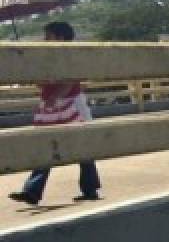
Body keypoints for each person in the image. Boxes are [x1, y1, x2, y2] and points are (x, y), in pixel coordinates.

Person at [9, 22, 102, 205]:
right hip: (52, 104)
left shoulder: (71, 56)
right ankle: (33, 190)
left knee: (80, 146)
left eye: (48, 36)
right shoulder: (46, 58)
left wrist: (55, 96)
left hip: (70, 102)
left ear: (61, 38)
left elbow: (71, 80)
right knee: (47, 144)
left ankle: (89, 188)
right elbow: (42, 82)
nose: (44, 40)